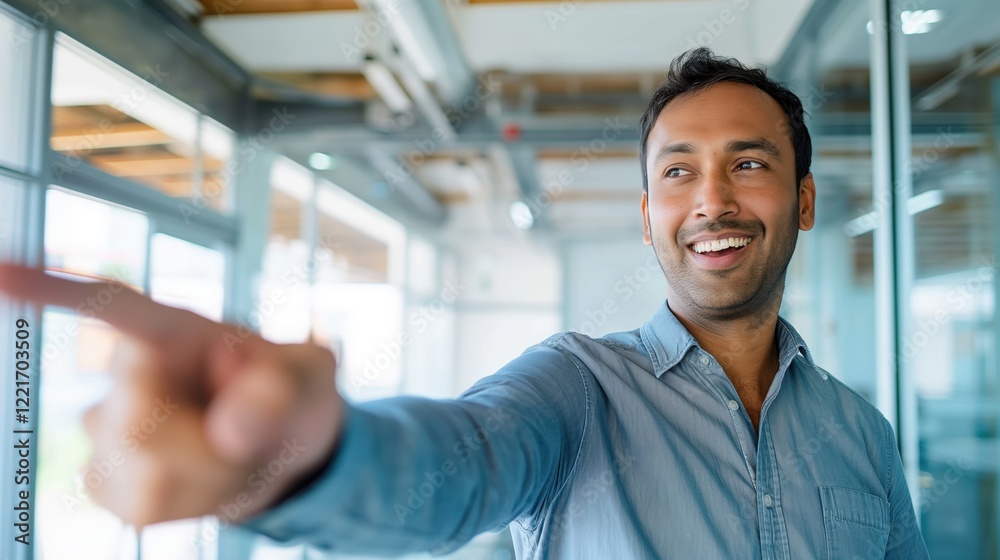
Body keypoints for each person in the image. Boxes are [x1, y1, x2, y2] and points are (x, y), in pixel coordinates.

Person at [0, 48, 929, 559]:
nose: (712, 201)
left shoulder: (864, 436)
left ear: (803, 200)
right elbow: (457, 465)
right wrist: (296, 458)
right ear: (649, 219)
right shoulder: (577, 387)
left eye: (751, 164)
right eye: (678, 173)